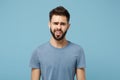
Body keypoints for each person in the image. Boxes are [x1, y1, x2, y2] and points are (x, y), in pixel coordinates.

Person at [29, 6, 86, 80]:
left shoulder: (78, 51)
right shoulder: (38, 52)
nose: (59, 27)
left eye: (62, 24)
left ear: (68, 26)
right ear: (49, 24)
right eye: (55, 23)